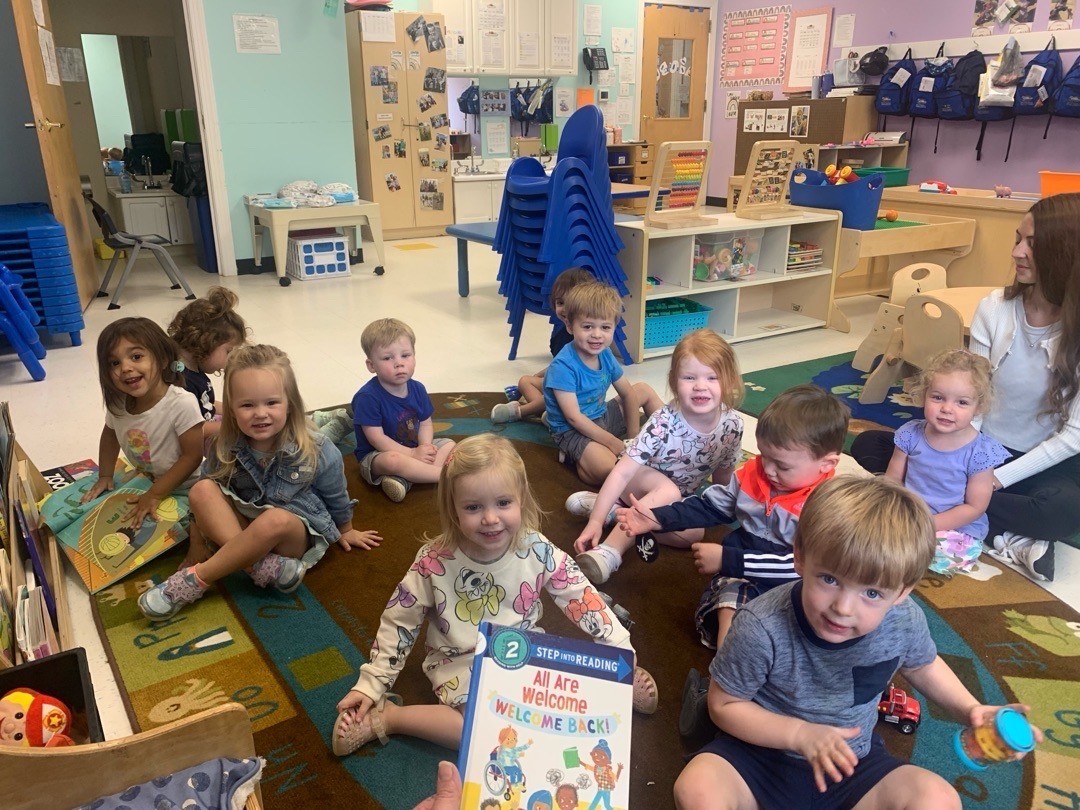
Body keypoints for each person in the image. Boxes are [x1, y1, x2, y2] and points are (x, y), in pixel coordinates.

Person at [672, 476, 1044, 810]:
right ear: (800, 557)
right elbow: (723, 704)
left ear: (902, 592)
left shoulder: (904, 619)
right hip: (760, 758)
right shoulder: (760, 625)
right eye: (830, 580)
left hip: (853, 768)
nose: (843, 608)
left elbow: (923, 664)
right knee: (697, 788)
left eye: (871, 592)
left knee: (938, 799)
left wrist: (971, 710)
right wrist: (798, 734)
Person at [331, 434, 656, 757]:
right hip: (459, 661)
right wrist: (374, 681)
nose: (490, 518)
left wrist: (617, 646)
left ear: (521, 499)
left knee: (558, 706)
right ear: (452, 508)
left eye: (503, 503)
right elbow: (400, 619)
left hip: (525, 652)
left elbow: (578, 593)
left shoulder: (536, 549)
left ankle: (613, 675)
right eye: (473, 507)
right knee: (481, 730)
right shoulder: (434, 561)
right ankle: (390, 717)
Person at [852, 192, 1080, 582]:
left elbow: (1073, 436)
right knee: (868, 446)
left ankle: (945, 508)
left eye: (1033, 244)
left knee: (1063, 508)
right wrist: (961, 459)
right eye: (1017, 239)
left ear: (1066, 253)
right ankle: (1005, 532)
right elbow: (972, 392)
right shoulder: (995, 307)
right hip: (975, 445)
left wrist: (992, 480)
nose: (1017, 252)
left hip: (1037, 460)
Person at [137, 345, 380, 620]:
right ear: (231, 409)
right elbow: (207, 496)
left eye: (271, 403)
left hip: (291, 532)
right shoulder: (224, 445)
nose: (260, 413)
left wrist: (346, 529)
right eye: (247, 405)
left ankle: (197, 580)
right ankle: (260, 566)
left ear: (290, 403)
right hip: (246, 523)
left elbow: (336, 494)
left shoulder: (319, 449)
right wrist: (197, 543)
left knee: (274, 519)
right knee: (202, 489)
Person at [617, 384, 848, 649]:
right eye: (764, 456)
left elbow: (805, 569)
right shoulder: (752, 474)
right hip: (741, 578)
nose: (769, 470)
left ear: (827, 464)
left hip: (794, 587)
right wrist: (658, 517)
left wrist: (729, 559)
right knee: (732, 600)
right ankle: (726, 673)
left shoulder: (828, 506)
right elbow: (710, 507)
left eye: (782, 465)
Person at [570, 329, 744, 584]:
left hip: (672, 499)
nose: (700, 386)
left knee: (695, 533)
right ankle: (610, 551)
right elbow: (622, 472)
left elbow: (723, 478)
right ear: (674, 381)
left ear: (729, 382)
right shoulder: (665, 420)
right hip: (637, 481)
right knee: (669, 490)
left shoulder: (733, 426)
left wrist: (715, 510)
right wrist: (594, 522)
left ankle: (616, 511)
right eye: (689, 377)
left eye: (712, 377)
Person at [884, 350, 1008, 571]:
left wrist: (928, 526)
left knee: (942, 555)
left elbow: (975, 507)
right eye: (938, 397)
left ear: (978, 407)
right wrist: (897, 514)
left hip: (956, 528)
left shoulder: (981, 452)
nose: (947, 409)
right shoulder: (910, 434)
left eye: (962, 402)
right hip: (910, 514)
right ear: (924, 395)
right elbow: (892, 481)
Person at [81, 318, 204, 529]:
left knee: (182, 528)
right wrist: (105, 475)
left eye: (136, 357)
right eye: (114, 363)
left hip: (185, 488)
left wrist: (155, 494)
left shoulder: (181, 403)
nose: (125, 368)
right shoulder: (119, 403)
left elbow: (192, 457)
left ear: (163, 359)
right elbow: (110, 435)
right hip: (144, 482)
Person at [543, 281, 664, 487]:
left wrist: (633, 439)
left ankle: (672, 432)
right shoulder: (562, 367)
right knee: (609, 468)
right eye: (588, 326)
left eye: (605, 327)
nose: (597, 335)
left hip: (601, 417)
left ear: (614, 327)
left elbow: (628, 394)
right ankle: (577, 459)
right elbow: (574, 418)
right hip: (572, 431)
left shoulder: (605, 354)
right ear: (571, 326)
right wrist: (614, 443)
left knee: (643, 389)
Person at [350, 318, 455, 502]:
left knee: (449, 444)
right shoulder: (367, 397)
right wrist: (413, 454)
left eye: (405, 355)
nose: (398, 363)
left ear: (414, 356)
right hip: (377, 455)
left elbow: (425, 422)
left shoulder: (418, 388)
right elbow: (377, 439)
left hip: (414, 447)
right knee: (393, 460)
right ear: (371, 365)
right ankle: (442, 476)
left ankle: (407, 480)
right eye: (387, 358)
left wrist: (424, 446)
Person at [492, 267, 594, 424]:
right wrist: (538, 376)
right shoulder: (569, 331)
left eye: (571, 303)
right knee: (526, 381)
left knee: (546, 390)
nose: (564, 309)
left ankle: (520, 411)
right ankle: (548, 413)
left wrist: (541, 377)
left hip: (576, 393)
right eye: (560, 302)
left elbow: (565, 372)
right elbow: (559, 365)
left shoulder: (576, 337)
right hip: (573, 389)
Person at [167, 285, 248, 440]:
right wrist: (236, 426)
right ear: (206, 342)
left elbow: (206, 405)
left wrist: (235, 410)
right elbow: (193, 430)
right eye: (228, 351)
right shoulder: (181, 383)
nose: (230, 359)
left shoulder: (194, 368)